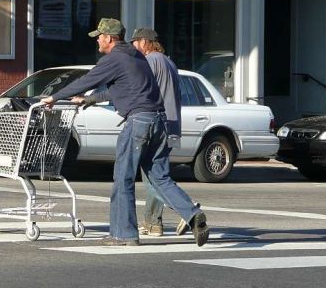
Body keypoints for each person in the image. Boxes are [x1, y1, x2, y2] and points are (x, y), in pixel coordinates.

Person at [40, 18, 210, 247]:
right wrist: (89, 99)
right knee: (159, 177)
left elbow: (87, 80)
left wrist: (54, 97)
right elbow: (122, 89)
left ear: (109, 39)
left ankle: (124, 234)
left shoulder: (114, 58)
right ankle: (192, 215)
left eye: (99, 37)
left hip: (139, 121)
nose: (97, 40)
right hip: (159, 122)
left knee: (123, 178)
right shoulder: (136, 57)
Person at [128, 28, 195, 237]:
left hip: (157, 123)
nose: (133, 47)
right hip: (171, 124)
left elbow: (141, 89)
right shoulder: (168, 61)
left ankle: (187, 209)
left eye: (135, 42)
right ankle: (153, 223)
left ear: (145, 42)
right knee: (154, 175)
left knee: (154, 176)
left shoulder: (150, 61)